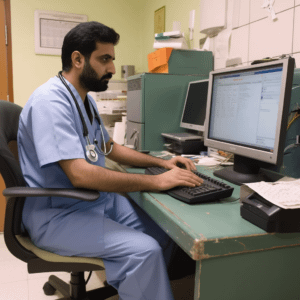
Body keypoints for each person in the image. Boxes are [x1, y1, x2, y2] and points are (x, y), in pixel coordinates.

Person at [18, 21, 202, 300]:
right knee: (144, 251)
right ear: (77, 59)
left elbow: (109, 147)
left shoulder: (84, 100)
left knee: (165, 236)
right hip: (58, 214)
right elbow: (80, 174)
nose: (113, 69)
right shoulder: (50, 102)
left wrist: (163, 164)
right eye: (105, 59)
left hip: (94, 201)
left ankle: (139, 288)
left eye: (112, 59)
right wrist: (155, 182)